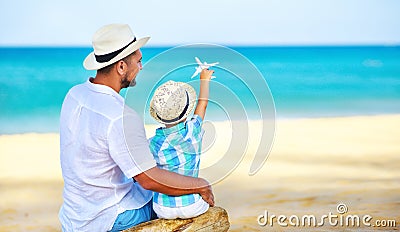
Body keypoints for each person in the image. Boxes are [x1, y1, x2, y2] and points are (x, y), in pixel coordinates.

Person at [59, 24, 214, 232]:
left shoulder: (74, 95)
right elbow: (148, 180)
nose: (141, 67)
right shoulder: (121, 116)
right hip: (110, 217)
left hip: (75, 214)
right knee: (174, 199)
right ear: (121, 66)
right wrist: (200, 185)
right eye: (138, 61)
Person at [148, 68, 214, 219]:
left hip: (162, 208)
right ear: (186, 112)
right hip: (192, 205)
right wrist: (204, 80)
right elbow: (202, 105)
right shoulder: (193, 130)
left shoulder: (153, 143)